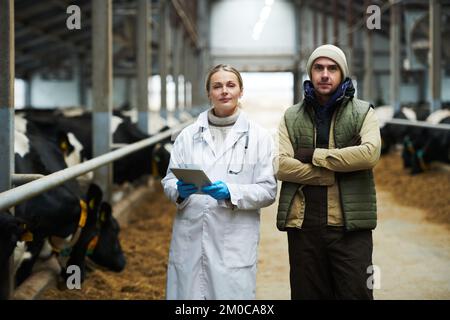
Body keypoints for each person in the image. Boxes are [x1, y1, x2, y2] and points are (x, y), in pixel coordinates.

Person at [274, 44, 381, 300]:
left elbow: (369, 154)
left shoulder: (363, 112)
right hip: (304, 227)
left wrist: (313, 155)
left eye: (332, 68)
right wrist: (333, 171)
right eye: (318, 68)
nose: (325, 74)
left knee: (357, 294)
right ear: (310, 72)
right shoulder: (291, 116)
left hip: (350, 228)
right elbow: (279, 164)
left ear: (342, 74)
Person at [161, 64, 277, 300]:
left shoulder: (259, 138)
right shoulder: (187, 136)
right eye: (217, 86)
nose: (224, 91)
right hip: (190, 239)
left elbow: (268, 190)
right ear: (209, 93)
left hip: (233, 241)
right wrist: (179, 191)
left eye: (230, 85)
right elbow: (169, 180)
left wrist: (231, 192)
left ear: (240, 91)